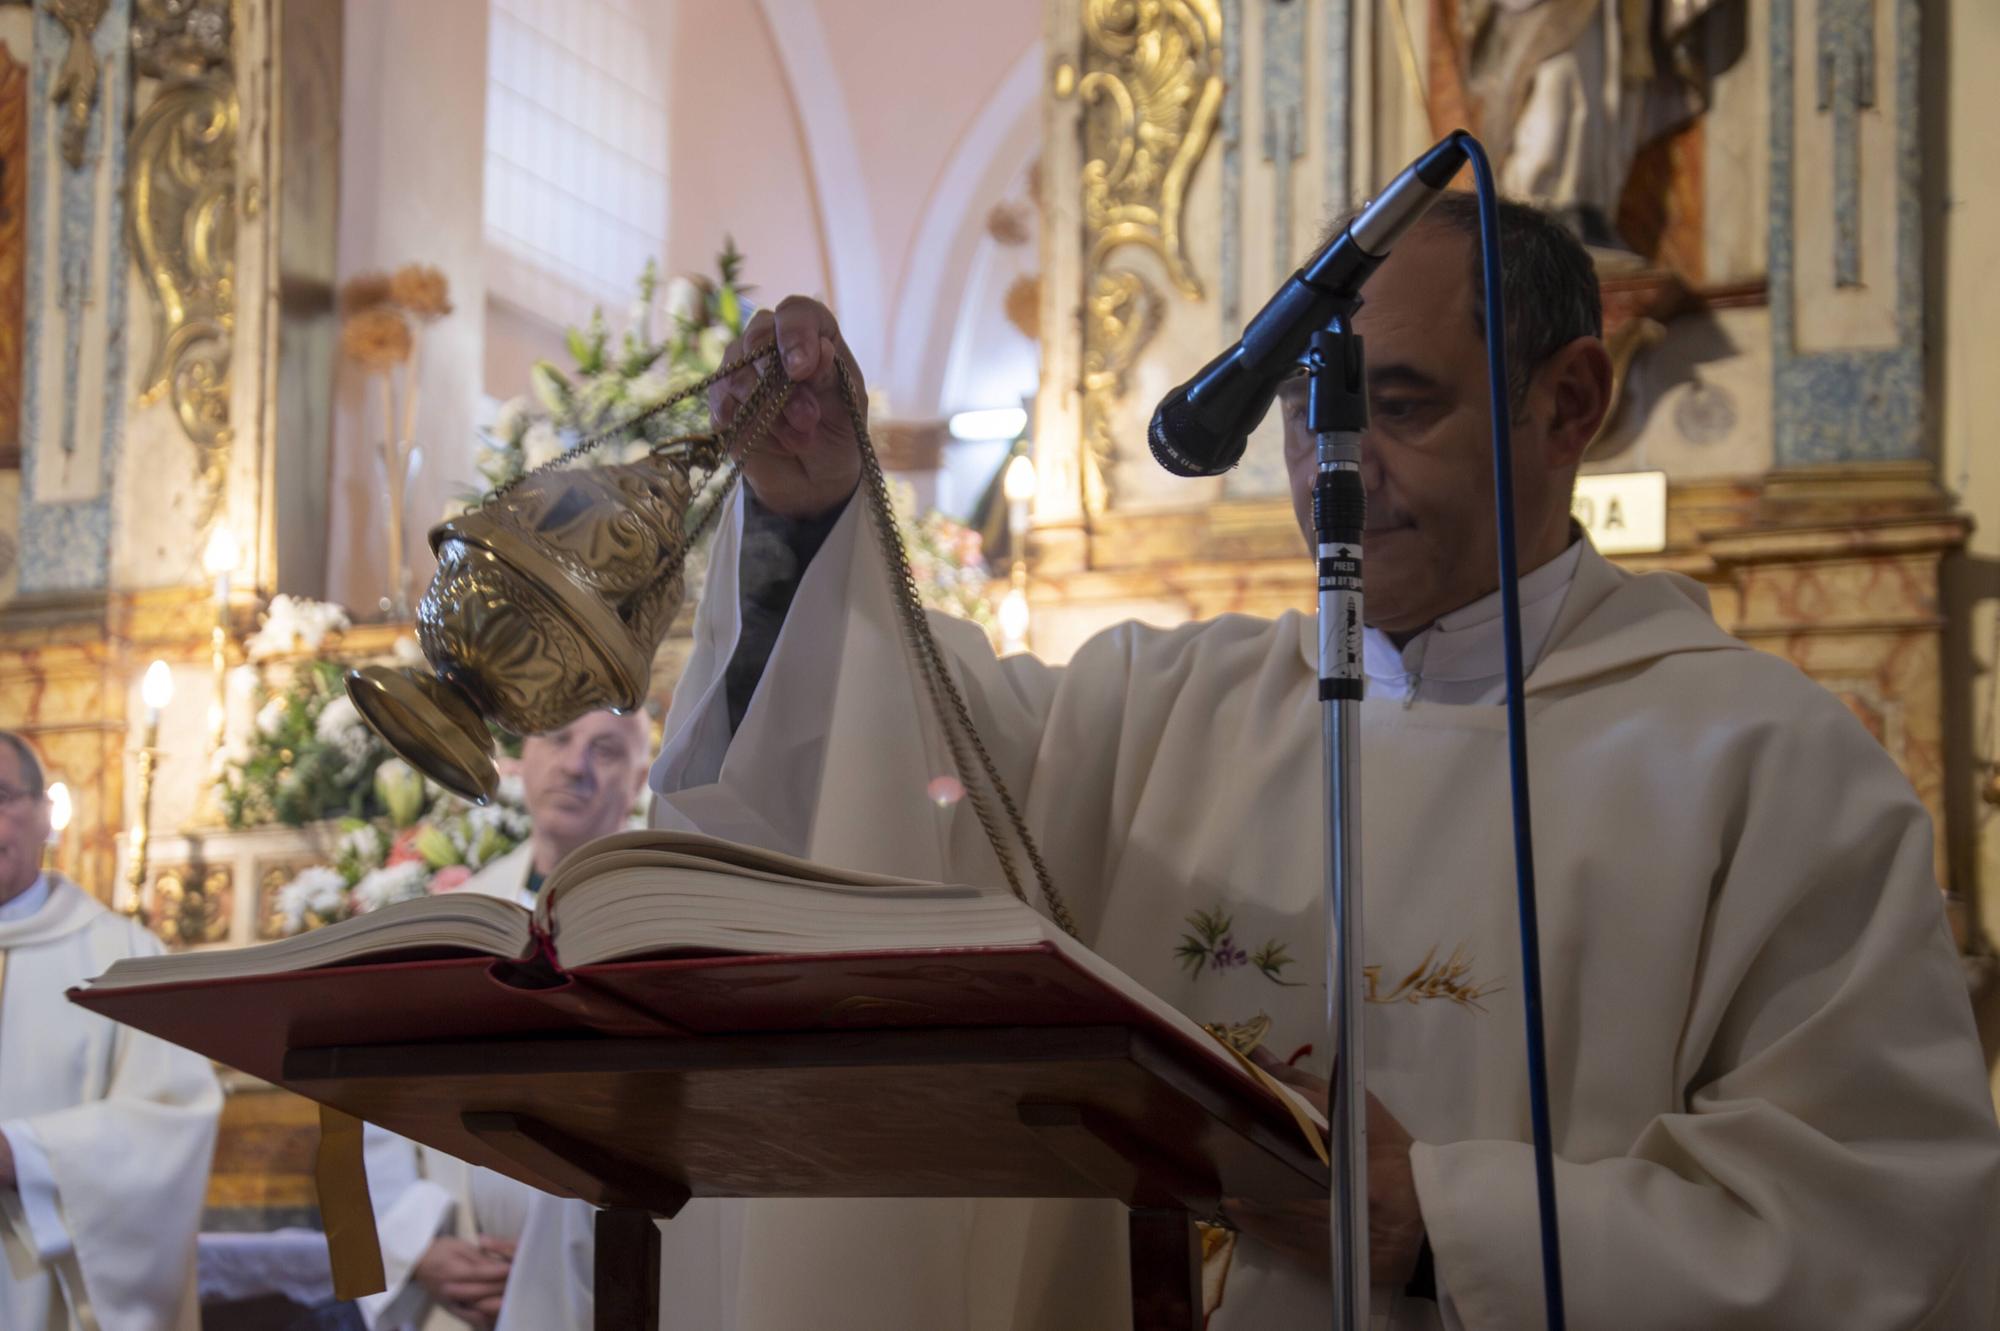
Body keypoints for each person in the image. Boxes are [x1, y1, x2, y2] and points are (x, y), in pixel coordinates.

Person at [504, 196, 2000, 1329]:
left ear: (1573, 404)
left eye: (1391, 406)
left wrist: (1450, 1216)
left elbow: (1880, 1223)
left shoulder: (1769, 768)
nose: (1327, 471)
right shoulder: (1169, 709)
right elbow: (916, 773)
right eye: (1300, 413)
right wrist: (816, 526)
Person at [361, 709, 652, 1331]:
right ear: (522, 756)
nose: (575, 765)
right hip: (453, 1298)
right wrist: (412, 1251)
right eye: (558, 738)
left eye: (605, 750)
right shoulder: (455, 918)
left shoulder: (662, 918)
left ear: (640, 776)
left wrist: (579, 1266)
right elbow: (369, 1098)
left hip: (613, 1288)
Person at [0, 731, 222, 1329]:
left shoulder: (122, 957)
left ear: (47, 814)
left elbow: (175, 1119)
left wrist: (22, 1153)